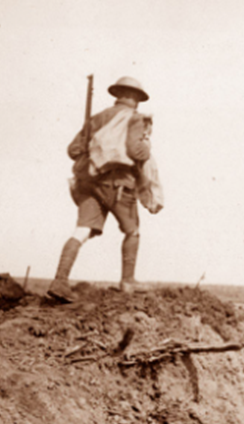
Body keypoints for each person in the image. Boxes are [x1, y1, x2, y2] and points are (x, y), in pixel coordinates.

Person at [48, 76, 161, 302]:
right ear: (136, 98)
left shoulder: (96, 118)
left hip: (90, 184)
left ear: (117, 95)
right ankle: (128, 281)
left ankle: (59, 280)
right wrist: (146, 149)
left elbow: (73, 150)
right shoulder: (136, 118)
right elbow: (135, 151)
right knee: (132, 231)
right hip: (120, 184)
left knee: (81, 231)